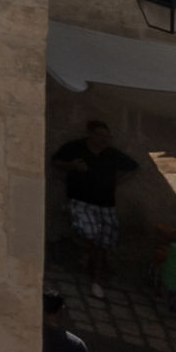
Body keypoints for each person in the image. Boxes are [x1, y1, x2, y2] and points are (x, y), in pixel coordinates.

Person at [60, 117, 141, 276]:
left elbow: (134, 167)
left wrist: (117, 181)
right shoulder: (76, 148)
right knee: (89, 233)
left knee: (106, 239)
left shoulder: (111, 154)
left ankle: (96, 271)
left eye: (107, 136)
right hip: (81, 200)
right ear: (90, 134)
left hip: (105, 203)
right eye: (100, 135)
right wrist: (72, 166)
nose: (104, 139)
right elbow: (56, 161)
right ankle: (95, 268)